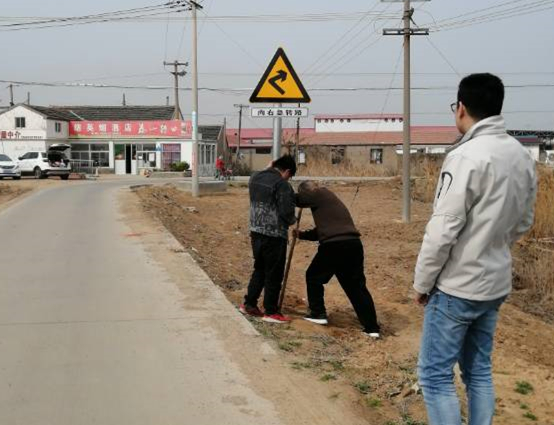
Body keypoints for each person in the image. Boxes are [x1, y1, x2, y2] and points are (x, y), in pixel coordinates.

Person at [414, 73, 537, 425]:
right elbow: (524, 222)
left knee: (435, 377)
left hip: (457, 286)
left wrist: (422, 283)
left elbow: (442, 230)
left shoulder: (465, 156)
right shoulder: (520, 155)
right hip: (495, 283)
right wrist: (493, 244)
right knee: (478, 371)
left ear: (461, 108)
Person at [295, 181, 380, 338]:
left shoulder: (318, 192)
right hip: (353, 244)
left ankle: (317, 313)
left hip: (335, 246)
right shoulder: (327, 200)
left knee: (313, 277)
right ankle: (372, 328)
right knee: (356, 287)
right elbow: (323, 230)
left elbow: (298, 199)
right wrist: (302, 235)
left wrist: (285, 191)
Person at [240, 155, 297, 323]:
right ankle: (271, 311)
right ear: (287, 171)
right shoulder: (282, 184)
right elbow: (286, 212)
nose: (288, 178)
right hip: (274, 235)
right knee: (274, 273)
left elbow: (263, 171)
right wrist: (293, 220)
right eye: (290, 175)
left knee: (260, 268)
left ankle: (249, 304)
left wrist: (268, 167)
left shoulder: (255, 177)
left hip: (255, 232)